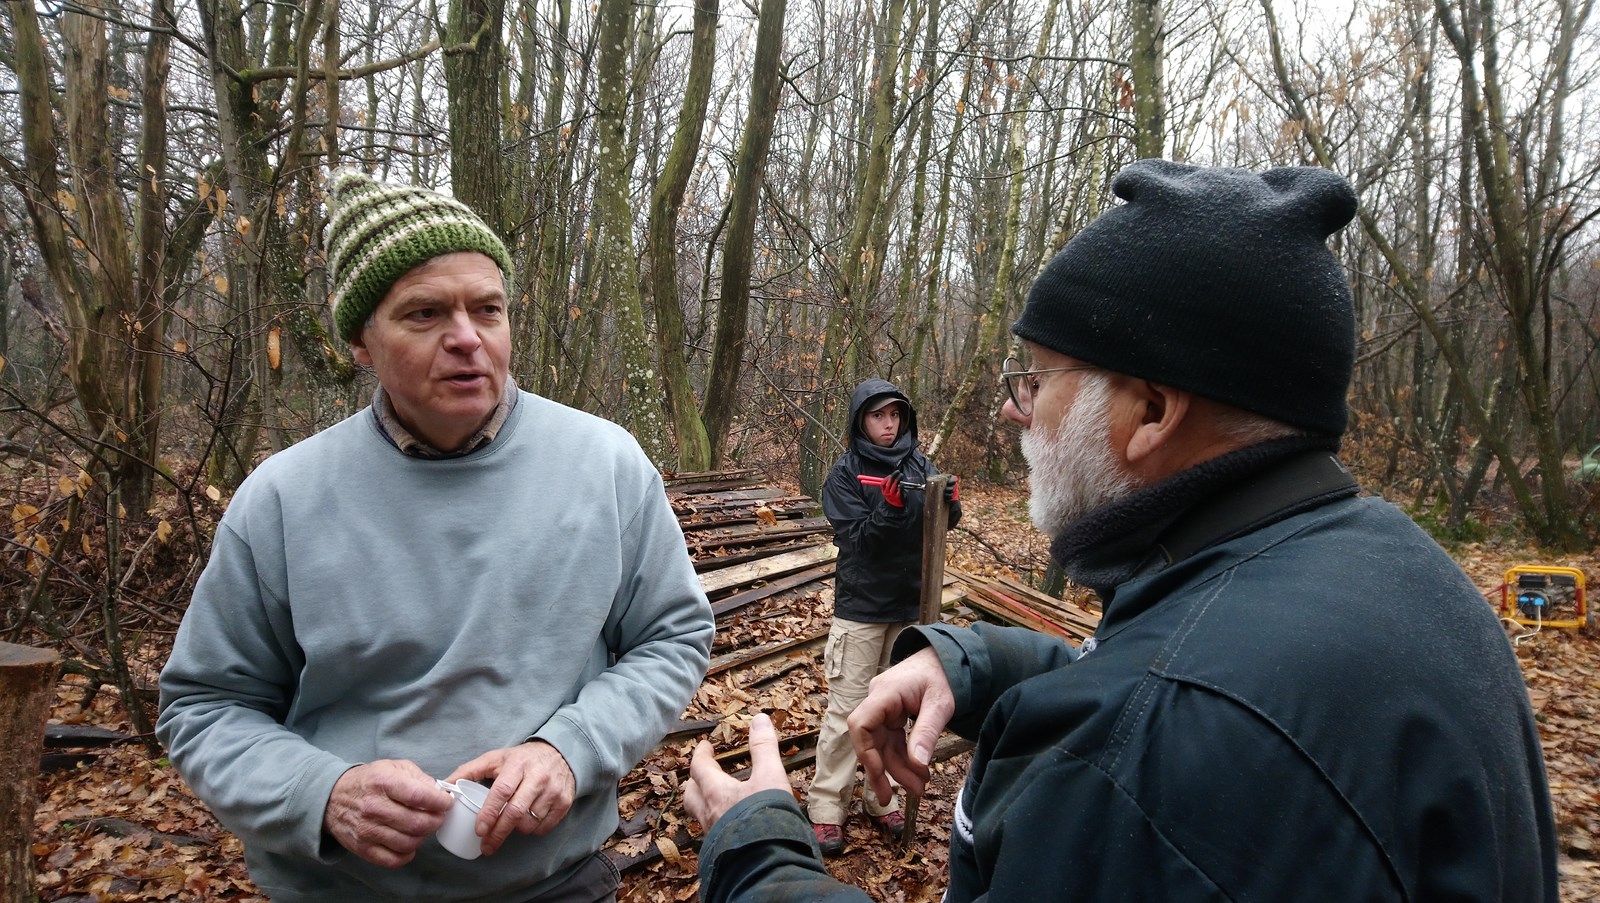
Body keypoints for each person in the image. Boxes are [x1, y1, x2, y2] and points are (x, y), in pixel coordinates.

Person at [683, 160, 1558, 901]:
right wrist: (988, 666)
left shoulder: (1142, 756)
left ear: (1150, 410)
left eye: (1037, 379)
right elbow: (1200, 680)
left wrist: (758, 855)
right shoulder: (1400, 570)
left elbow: (1167, 717)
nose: (1013, 410)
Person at [156, 169, 715, 903]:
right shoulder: (283, 499)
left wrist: (569, 749)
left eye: (488, 308)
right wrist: (322, 793)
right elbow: (202, 706)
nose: (466, 338)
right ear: (361, 340)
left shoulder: (604, 465)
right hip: (341, 890)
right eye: (424, 314)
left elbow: (673, 636)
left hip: (554, 884)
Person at [808, 380, 960, 855]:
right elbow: (860, 542)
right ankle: (827, 807)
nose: (888, 424)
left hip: (908, 608)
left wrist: (948, 503)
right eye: (878, 416)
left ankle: (880, 798)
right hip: (861, 608)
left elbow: (937, 526)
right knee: (847, 710)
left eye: (895, 415)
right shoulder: (844, 475)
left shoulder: (919, 466)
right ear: (861, 421)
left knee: (891, 712)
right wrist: (891, 510)